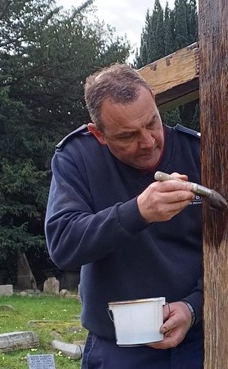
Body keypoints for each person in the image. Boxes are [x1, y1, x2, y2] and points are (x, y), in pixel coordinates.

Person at [45, 63, 204, 368]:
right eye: (128, 136)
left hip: (200, 343)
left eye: (152, 123)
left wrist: (193, 307)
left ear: (155, 102)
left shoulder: (198, 151)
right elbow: (63, 244)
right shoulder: (77, 157)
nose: (148, 142)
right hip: (117, 350)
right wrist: (138, 212)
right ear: (98, 134)